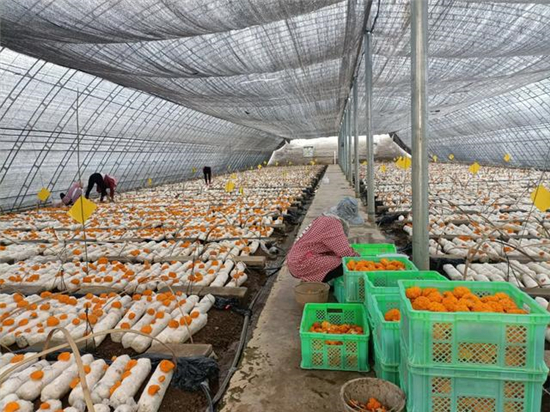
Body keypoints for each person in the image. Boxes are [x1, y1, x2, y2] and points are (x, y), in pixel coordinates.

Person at [287, 197, 364, 283]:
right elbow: (345, 252)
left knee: (337, 257)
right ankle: (314, 284)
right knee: (344, 264)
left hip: (297, 259)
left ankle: (315, 281)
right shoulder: (332, 224)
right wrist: (360, 260)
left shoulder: (326, 218)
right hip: (301, 262)